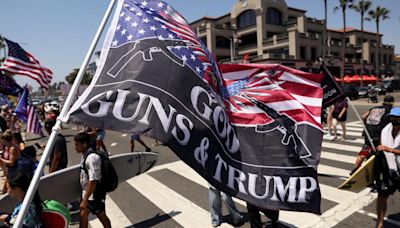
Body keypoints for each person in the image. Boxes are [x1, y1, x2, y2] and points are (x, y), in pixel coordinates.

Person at [74, 132, 111, 228]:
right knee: (82, 217)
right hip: (87, 193)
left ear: (85, 144)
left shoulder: (92, 158)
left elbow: (93, 179)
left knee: (102, 217)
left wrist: (85, 200)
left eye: (77, 144)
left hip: (94, 195)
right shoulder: (85, 155)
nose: (75, 147)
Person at [352, 95, 394, 174]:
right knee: (380, 151)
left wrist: (368, 124)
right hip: (378, 135)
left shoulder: (374, 108)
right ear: (392, 103)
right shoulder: (390, 110)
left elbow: (363, 116)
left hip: (368, 133)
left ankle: (356, 168)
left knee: (364, 151)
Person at [374, 107, 400, 228]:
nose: (394, 119)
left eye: (397, 117)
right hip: (389, 169)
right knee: (381, 196)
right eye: (392, 117)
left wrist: (390, 149)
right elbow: (381, 145)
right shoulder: (385, 130)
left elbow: (387, 148)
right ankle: (380, 223)